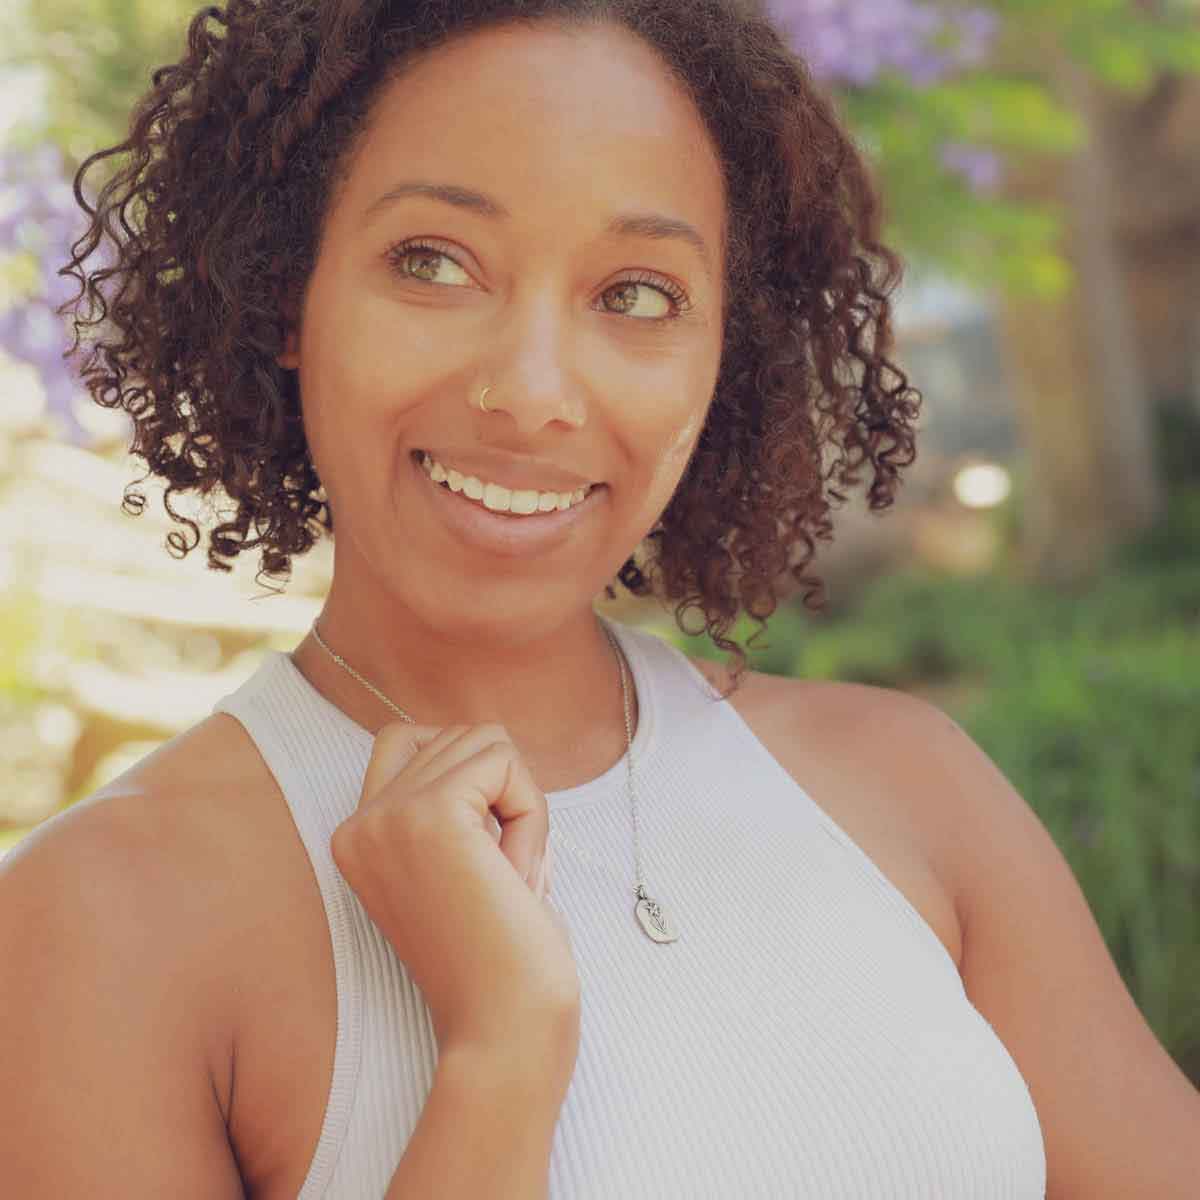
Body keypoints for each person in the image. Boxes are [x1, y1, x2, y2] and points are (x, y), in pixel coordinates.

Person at [3, 0, 1198, 1196]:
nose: (531, 394)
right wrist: (501, 1049)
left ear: (728, 351)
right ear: (282, 296)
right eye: (433, 262)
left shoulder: (910, 786)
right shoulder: (98, 922)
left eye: (636, 294)